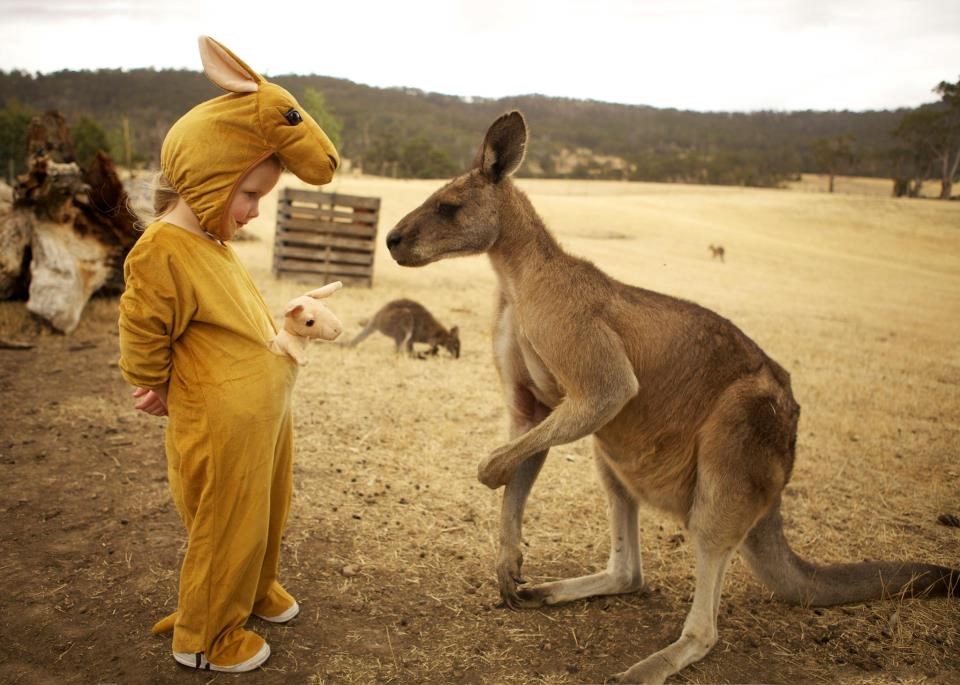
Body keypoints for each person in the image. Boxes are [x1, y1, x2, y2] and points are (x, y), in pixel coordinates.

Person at [118, 36, 340, 673]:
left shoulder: (211, 243)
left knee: (267, 507)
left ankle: (252, 588)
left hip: (263, 416)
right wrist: (153, 383)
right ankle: (206, 637)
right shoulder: (162, 248)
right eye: (249, 196)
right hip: (221, 421)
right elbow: (143, 329)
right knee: (225, 522)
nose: (253, 212)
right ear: (212, 179)